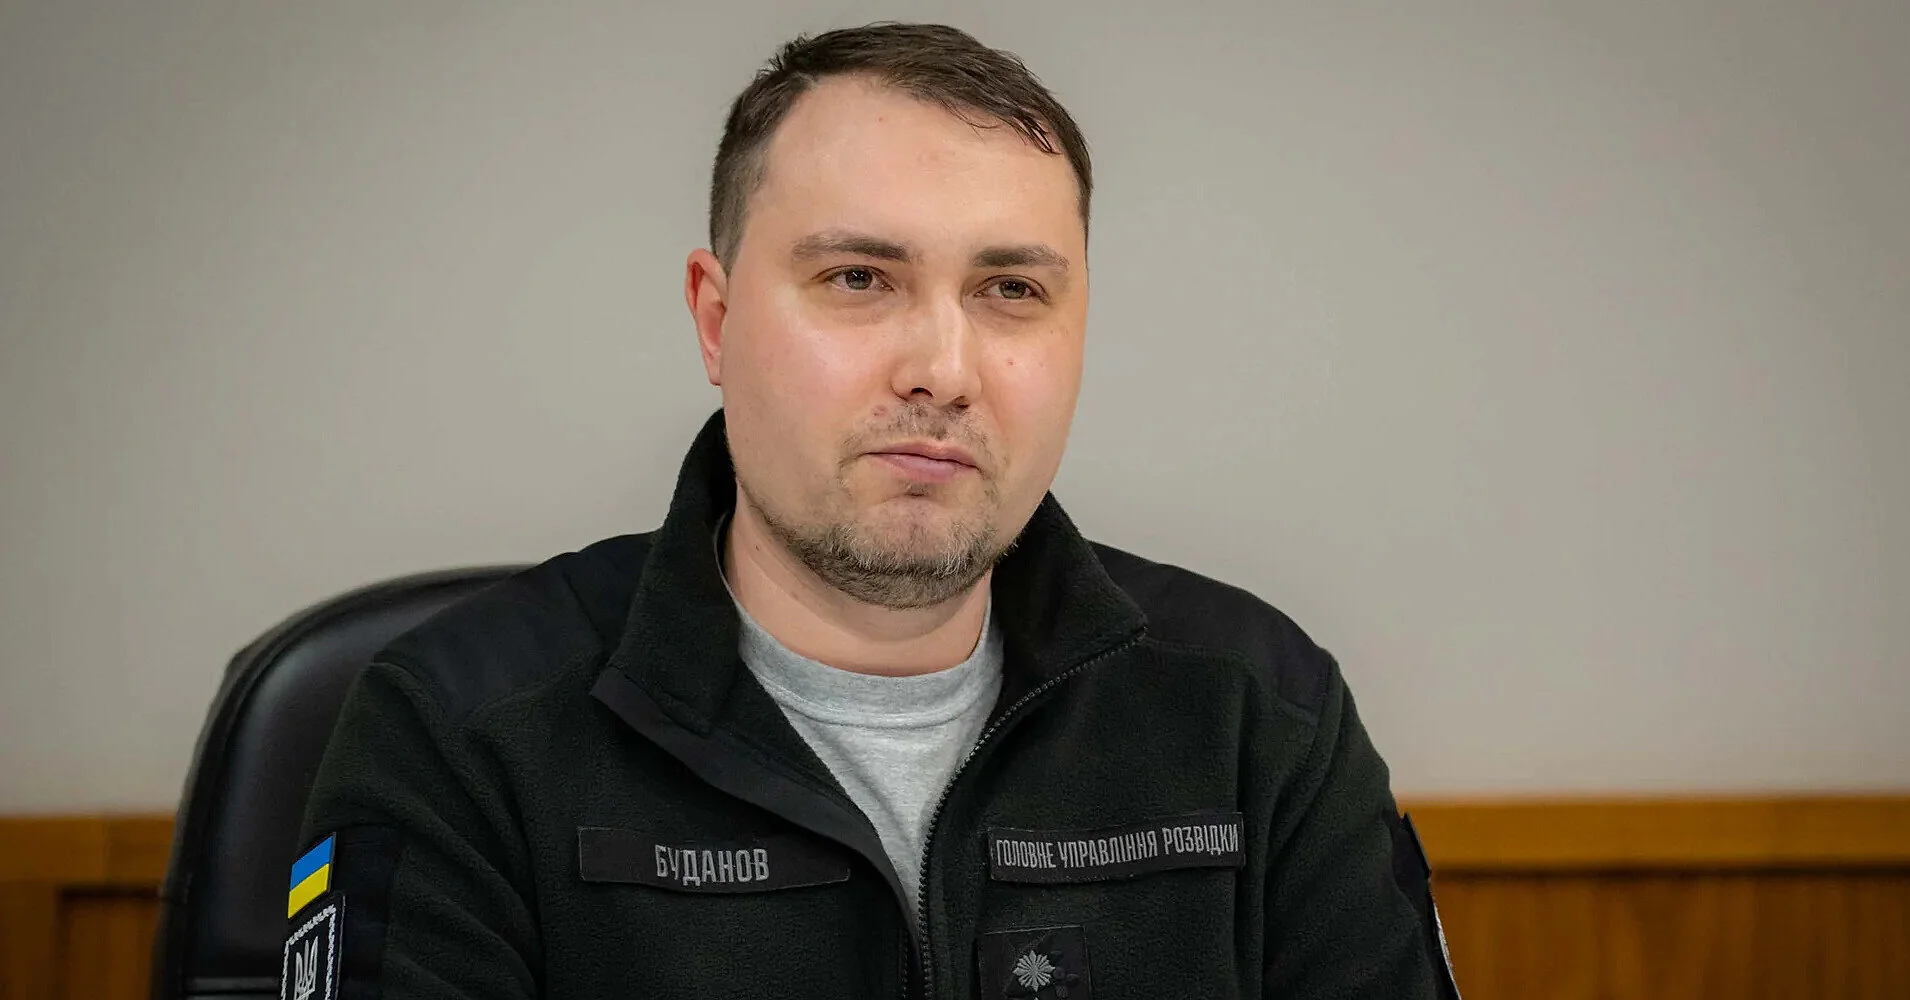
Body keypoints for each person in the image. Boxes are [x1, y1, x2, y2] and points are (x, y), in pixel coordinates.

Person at [283, 21, 1460, 1000]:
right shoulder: (461, 736)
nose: (941, 369)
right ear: (715, 319)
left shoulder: (1260, 719)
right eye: (858, 279)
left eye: (1011, 289)